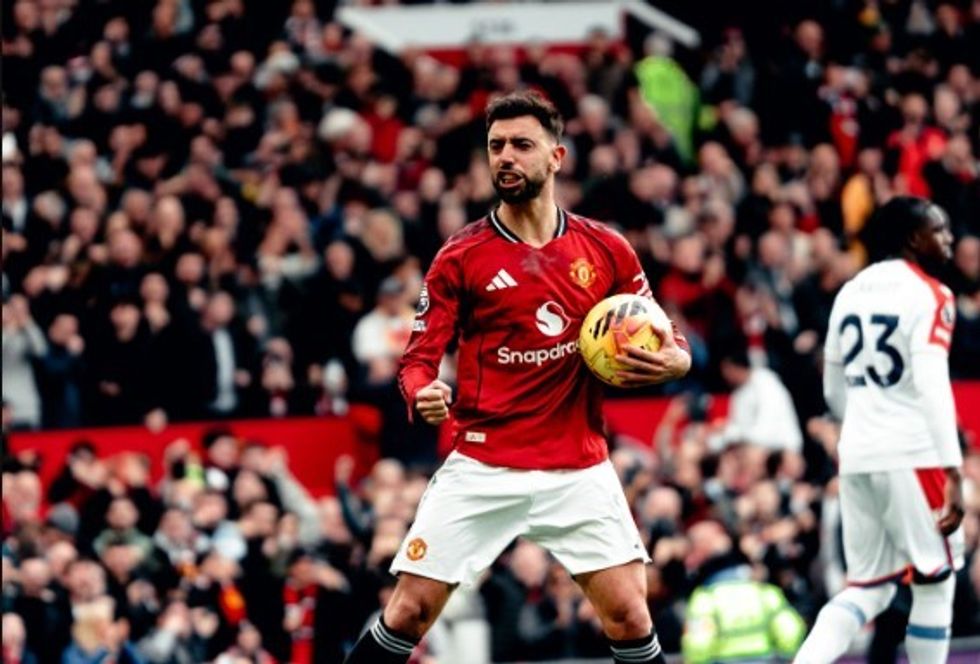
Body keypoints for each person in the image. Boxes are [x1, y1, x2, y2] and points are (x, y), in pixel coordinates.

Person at [343, 90, 692, 664]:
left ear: (556, 157)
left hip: (577, 465)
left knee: (630, 614)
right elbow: (417, 358)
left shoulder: (605, 248)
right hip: (485, 463)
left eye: (521, 145)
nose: (505, 156)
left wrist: (677, 360)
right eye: (496, 146)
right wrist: (421, 390)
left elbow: (665, 333)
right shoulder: (462, 256)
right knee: (408, 611)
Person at [794, 197, 964, 664]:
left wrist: (864, 426)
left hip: (858, 453)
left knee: (869, 587)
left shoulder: (850, 292)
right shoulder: (932, 294)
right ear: (912, 238)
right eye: (939, 229)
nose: (949, 239)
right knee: (936, 581)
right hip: (913, 453)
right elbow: (931, 384)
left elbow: (833, 386)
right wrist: (952, 469)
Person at [681, 521, 805, 663]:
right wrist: (782, 657)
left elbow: (698, 645)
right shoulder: (764, 592)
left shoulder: (704, 600)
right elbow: (790, 631)